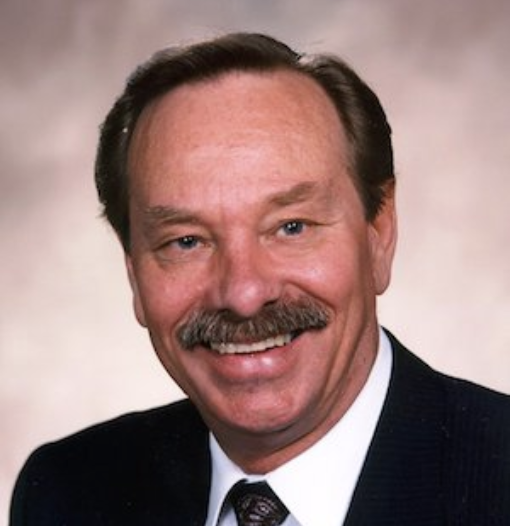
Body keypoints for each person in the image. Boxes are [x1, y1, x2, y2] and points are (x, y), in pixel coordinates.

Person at [10, 32, 510, 526]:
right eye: (187, 241)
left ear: (379, 232)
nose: (244, 294)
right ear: (133, 270)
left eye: (291, 227)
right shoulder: (66, 493)